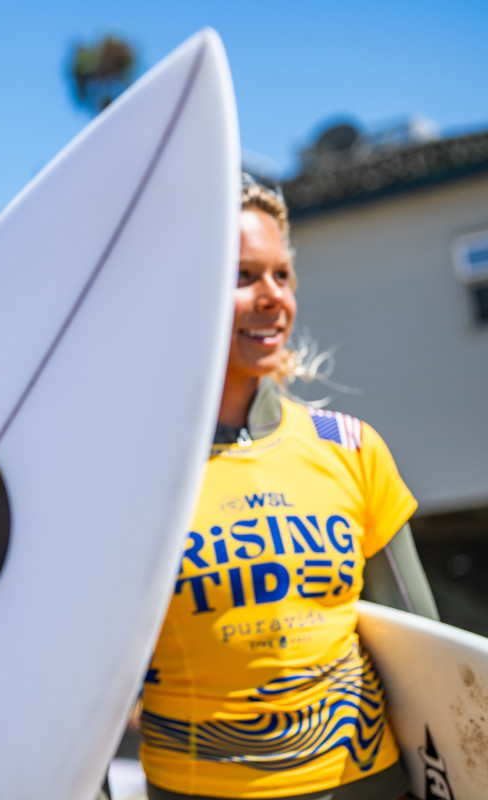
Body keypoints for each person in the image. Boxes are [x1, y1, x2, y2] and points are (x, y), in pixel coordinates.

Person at [138, 175, 439, 800]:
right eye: (243, 277)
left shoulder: (350, 447)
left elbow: (427, 653)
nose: (272, 297)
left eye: (281, 275)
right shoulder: (130, 476)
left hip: (367, 783)